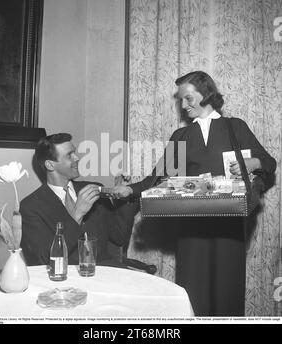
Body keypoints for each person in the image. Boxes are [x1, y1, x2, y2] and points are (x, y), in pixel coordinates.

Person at [111, 71, 276, 316]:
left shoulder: (235, 127)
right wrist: (129, 189)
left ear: (206, 94)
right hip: (191, 228)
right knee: (193, 291)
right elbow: (154, 179)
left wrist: (252, 164)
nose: (183, 105)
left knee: (227, 291)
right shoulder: (181, 136)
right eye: (180, 100)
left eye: (188, 98)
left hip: (229, 227)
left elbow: (268, 163)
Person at [20, 133, 138, 268]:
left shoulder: (94, 189)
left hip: (106, 272)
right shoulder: (30, 206)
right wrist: (77, 215)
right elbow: (44, 258)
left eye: (74, 152)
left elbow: (119, 237)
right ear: (50, 165)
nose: (77, 158)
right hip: (66, 278)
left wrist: (125, 196)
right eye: (69, 155)